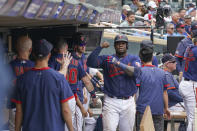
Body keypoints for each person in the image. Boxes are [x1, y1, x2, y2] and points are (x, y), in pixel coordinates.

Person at [12, 39, 74, 131]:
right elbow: (65, 110)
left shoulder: (22, 80)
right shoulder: (59, 78)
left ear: (33, 54)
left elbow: (19, 111)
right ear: (49, 55)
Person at [105, 45, 170, 131]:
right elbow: (165, 93)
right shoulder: (162, 73)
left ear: (140, 59)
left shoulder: (139, 72)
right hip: (158, 110)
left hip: (143, 110)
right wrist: (166, 108)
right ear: (152, 57)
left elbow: (135, 92)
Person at [87, 34, 141, 131]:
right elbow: (90, 62)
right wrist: (100, 47)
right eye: (118, 43)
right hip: (111, 101)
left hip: (128, 101)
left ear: (127, 46)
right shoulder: (107, 59)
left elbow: (136, 72)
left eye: (123, 43)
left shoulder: (133, 58)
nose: (120, 45)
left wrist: (117, 63)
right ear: (114, 46)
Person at [48, 37, 97, 131]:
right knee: (69, 127)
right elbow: (86, 81)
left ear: (55, 48)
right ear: (66, 47)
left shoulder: (52, 60)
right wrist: (93, 95)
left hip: (56, 98)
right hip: (71, 98)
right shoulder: (75, 61)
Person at [7, 36, 34, 131]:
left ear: (16, 48)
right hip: (30, 107)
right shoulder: (35, 66)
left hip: (14, 106)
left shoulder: (9, 66)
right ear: (30, 49)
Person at [162, 54, 185, 131]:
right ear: (168, 64)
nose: (176, 63)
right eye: (174, 62)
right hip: (172, 105)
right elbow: (169, 93)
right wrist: (183, 99)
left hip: (172, 104)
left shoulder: (167, 74)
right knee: (191, 111)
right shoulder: (166, 75)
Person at [179, 33, 197, 131]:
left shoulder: (189, 48)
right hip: (191, 85)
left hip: (185, 83)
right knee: (194, 118)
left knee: (190, 117)